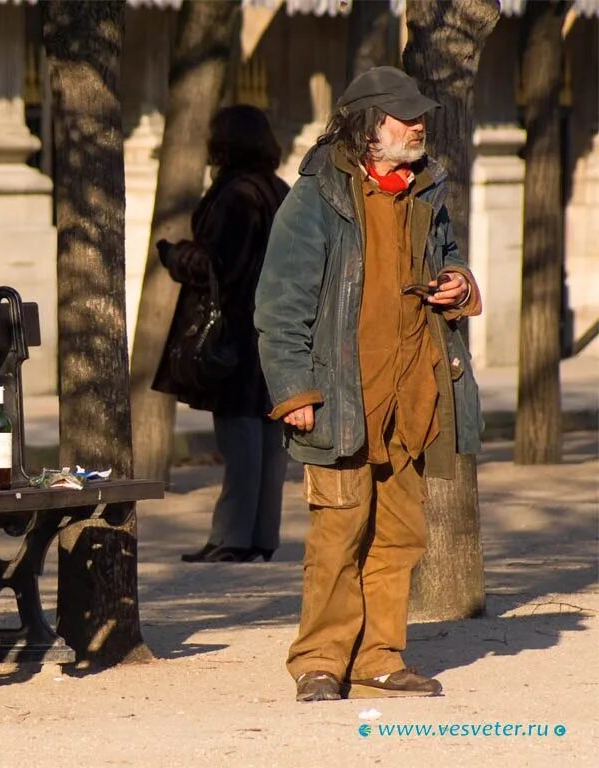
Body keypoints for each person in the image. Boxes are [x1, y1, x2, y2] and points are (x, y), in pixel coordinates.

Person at [255, 66, 484, 702]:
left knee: (401, 534)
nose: (417, 126)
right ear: (365, 125)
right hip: (341, 398)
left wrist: (459, 283)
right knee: (339, 530)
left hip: (412, 392)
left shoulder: (425, 190)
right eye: (401, 116)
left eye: (419, 116)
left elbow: (450, 256)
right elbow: (280, 304)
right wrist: (294, 391)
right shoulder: (316, 196)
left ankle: (379, 657)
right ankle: (319, 662)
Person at [152, 105, 290, 564]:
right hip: (277, 325)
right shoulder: (278, 190)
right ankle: (259, 536)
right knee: (269, 436)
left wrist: (174, 256)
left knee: (240, 437)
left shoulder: (236, 195)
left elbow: (218, 266)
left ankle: (232, 538)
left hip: (235, 327)